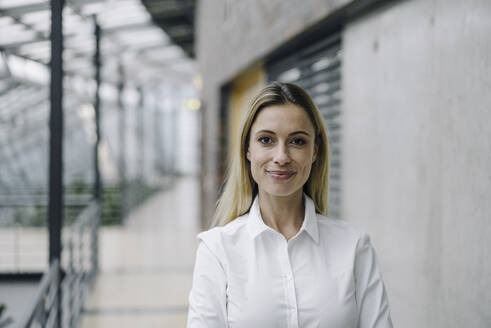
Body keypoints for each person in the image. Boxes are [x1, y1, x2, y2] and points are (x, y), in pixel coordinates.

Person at [187, 82, 393, 328]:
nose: (282, 157)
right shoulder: (217, 251)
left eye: (297, 141)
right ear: (248, 150)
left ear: (314, 152)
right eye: (266, 140)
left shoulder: (354, 246)